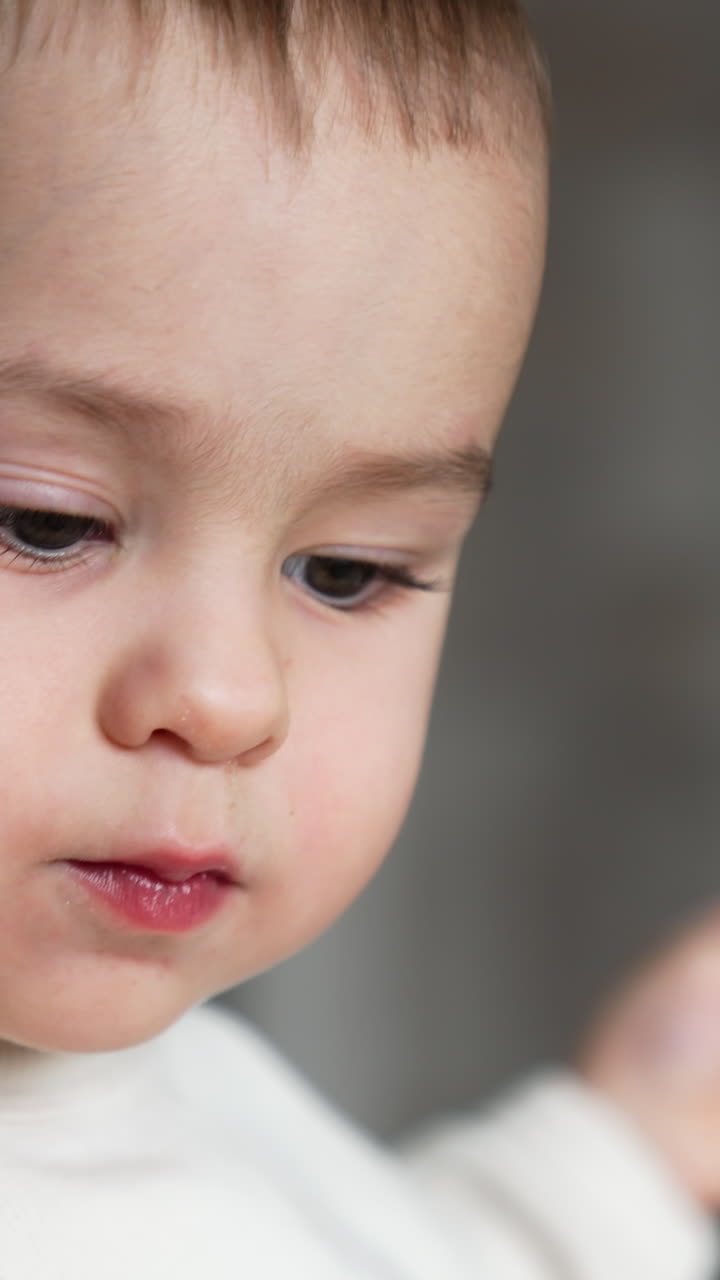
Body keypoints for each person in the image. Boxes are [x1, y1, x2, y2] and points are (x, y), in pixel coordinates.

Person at [0, 1, 716, 1275]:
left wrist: (621, 1163)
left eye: (345, 570)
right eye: (45, 523)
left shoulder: (175, 1089)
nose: (229, 696)